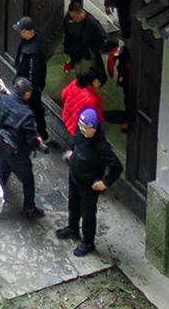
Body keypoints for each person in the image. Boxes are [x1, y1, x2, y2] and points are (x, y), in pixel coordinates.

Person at [58, 107, 122, 257]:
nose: (82, 130)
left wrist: (105, 182)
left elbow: (117, 167)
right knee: (73, 205)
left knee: (87, 214)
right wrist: (72, 153)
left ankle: (88, 243)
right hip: (74, 177)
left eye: (85, 128)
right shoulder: (80, 133)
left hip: (89, 186)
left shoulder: (102, 147)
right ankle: (72, 229)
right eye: (80, 126)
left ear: (94, 128)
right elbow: (76, 144)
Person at [0, 77, 43, 218]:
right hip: (17, 153)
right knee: (28, 180)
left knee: (1, 175)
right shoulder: (26, 115)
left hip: (1, 145)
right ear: (27, 93)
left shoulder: (3, 100)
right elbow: (31, 139)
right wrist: (39, 144)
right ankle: (29, 208)